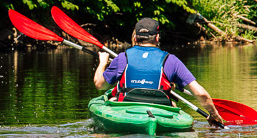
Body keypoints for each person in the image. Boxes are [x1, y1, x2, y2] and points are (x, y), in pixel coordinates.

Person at [93, 17, 226, 127]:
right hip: (160, 111)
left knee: (112, 98)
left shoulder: (122, 58)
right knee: (173, 103)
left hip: (127, 109)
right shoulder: (171, 60)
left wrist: (102, 62)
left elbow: (100, 85)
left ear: (135, 37)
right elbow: (201, 94)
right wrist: (214, 115)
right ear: (157, 38)